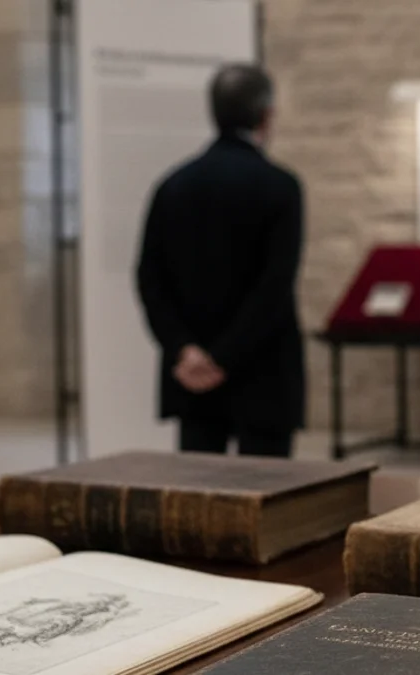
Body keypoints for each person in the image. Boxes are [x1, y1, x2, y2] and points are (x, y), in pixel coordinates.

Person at [136, 64, 304, 458]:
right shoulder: (280, 187)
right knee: (269, 488)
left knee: (198, 489)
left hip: (192, 377)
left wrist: (185, 350)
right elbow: (275, 285)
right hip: (262, 372)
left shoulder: (173, 186)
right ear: (266, 115)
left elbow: (150, 278)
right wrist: (224, 357)